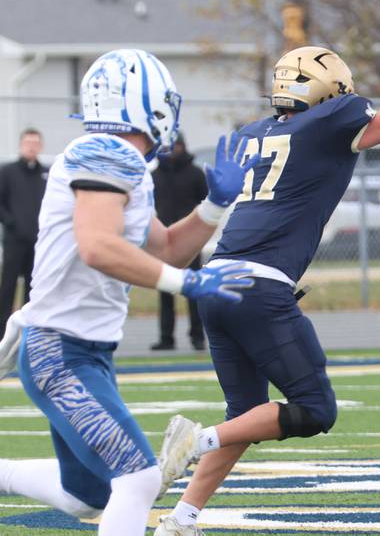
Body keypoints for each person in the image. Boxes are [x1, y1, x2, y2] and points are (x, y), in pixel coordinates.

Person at [153, 0, 380, 536]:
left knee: (245, 417)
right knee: (313, 409)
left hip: (216, 281)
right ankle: (195, 440)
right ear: (328, 91)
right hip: (260, 287)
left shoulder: (252, 132)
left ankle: (181, 519)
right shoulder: (331, 120)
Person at [0, 49, 257, 536]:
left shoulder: (122, 162)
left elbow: (167, 249)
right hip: (61, 349)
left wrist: (215, 205)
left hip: (81, 348)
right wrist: (188, 284)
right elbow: (98, 246)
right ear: (149, 103)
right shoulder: (108, 153)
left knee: (87, 495)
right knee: (138, 479)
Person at [151, 133, 209, 351]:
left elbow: (206, 202)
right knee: (164, 288)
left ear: (183, 146)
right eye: (168, 145)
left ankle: (197, 336)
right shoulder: (155, 175)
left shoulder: (195, 173)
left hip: (190, 240)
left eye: (176, 145)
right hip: (163, 239)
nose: (172, 149)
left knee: (193, 289)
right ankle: (166, 338)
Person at [0, 129, 48, 335]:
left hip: (38, 242)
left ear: (41, 146)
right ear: (21, 145)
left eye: (35, 143)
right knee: (8, 287)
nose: (31, 147)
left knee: (34, 288)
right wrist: (11, 223)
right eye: (28, 142)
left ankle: (30, 333)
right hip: (14, 241)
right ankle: (3, 332)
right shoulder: (7, 172)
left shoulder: (47, 174)